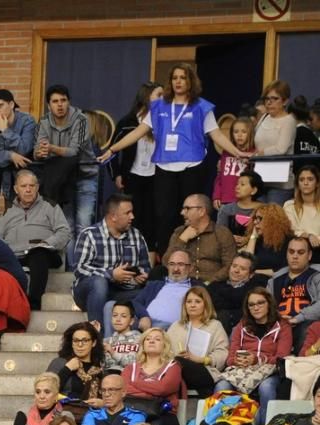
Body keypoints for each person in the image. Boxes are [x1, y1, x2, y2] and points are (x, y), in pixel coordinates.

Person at [101, 63, 253, 256]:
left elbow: (217, 134)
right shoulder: (158, 106)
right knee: (164, 216)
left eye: (183, 78)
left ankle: (190, 257)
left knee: (190, 215)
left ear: (190, 81)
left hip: (192, 166)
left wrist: (237, 153)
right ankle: (167, 259)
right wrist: (113, 148)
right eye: (175, 78)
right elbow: (139, 132)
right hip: (165, 167)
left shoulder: (201, 107)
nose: (178, 82)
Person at [33, 85, 97, 266]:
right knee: (66, 226)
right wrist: (40, 152)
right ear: (48, 105)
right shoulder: (43, 122)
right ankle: (72, 270)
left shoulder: (81, 120)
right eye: (55, 101)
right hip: (61, 179)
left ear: (69, 102)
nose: (60, 105)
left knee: (84, 225)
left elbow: (74, 151)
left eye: (63, 100)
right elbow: (37, 151)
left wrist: (51, 148)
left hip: (85, 176)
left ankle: (84, 268)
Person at [215, 287, 292, 425]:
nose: (256, 307)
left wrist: (258, 359)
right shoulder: (241, 326)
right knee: (221, 385)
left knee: (266, 387)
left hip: (270, 371)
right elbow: (230, 357)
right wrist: (238, 361)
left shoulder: (282, 325)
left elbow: (282, 357)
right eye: (251, 305)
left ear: (269, 303)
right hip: (242, 370)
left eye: (260, 303)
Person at [0, 169, 71, 310]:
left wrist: (47, 243)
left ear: (37, 187)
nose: (28, 190)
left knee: (38, 254)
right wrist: (7, 250)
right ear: (16, 189)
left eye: (32, 186)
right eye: (24, 186)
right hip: (15, 254)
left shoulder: (50, 206)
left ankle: (33, 304)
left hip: (43, 253)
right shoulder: (9, 210)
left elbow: (64, 231)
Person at [72, 193, 151, 329]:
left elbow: (145, 266)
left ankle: (136, 335)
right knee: (99, 282)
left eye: (132, 212)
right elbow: (80, 268)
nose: (132, 217)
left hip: (123, 292)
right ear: (113, 216)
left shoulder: (136, 235)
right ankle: (96, 335)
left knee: (152, 289)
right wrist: (110, 274)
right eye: (128, 213)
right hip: (89, 292)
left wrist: (142, 276)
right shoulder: (89, 234)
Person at [111, 81, 164, 251]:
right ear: (146, 97)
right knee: (133, 217)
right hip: (133, 176)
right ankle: (130, 255)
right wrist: (117, 175)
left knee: (152, 219)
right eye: (159, 95)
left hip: (156, 176)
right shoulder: (127, 121)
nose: (163, 99)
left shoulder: (164, 121)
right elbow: (113, 150)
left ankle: (150, 258)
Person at [165, 285, 230, 396]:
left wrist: (200, 359)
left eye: (197, 301)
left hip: (204, 371)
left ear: (205, 304)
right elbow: (164, 349)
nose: (192, 305)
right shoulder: (176, 326)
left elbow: (223, 353)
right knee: (176, 363)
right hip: (177, 370)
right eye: (189, 301)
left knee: (179, 362)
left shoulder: (215, 325)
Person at [122, 328, 184, 425]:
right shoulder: (130, 368)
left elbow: (163, 388)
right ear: (143, 344)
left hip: (163, 415)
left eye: (157, 339)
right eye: (148, 339)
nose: (151, 341)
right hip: (132, 412)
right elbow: (124, 390)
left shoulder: (173, 366)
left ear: (165, 345)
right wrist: (153, 392)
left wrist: (135, 383)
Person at [164, 194, 236, 283]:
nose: (182, 213)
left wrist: (209, 282)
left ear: (201, 211)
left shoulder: (222, 233)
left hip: (213, 287)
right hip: (182, 284)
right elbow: (166, 263)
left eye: (187, 208)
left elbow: (230, 265)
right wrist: (182, 240)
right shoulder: (179, 232)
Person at [0, 88, 37, 206]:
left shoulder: (27, 121)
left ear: (12, 104)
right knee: (12, 219)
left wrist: (5, 131)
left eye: (0, 106)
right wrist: (10, 155)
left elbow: (24, 148)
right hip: (8, 181)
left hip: (29, 181)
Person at [130, 250, 199, 331]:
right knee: (112, 306)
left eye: (181, 264)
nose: (176, 269)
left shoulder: (196, 288)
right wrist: (144, 316)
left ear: (190, 268)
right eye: (172, 264)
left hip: (171, 329)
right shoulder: (154, 285)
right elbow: (136, 302)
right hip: (145, 324)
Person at [255, 80, 297, 204]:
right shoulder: (264, 117)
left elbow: (281, 149)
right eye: (267, 98)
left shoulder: (289, 121)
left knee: (273, 220)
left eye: (274, 98)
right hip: (260, 178)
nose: (269, 102)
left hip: (280, 183)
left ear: (285, 101)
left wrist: (260, 154)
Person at [47, 322, 105, 406]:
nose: (80, 345)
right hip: (63, 414)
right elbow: (46, 391)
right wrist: (67, 369)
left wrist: (103, 404)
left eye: (85, 340)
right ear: (72, 343)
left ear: (94, 343)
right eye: (76, 340)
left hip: (92, 415)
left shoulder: (99, 369)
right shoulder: (60, 363)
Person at [208, 252, 267, 333]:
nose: (236, 270)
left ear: (251, 274)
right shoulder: (214, 286)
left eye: (242, 269)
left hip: (243, 331)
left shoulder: (255, 289)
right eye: (234, 266)